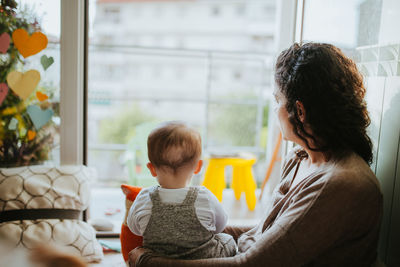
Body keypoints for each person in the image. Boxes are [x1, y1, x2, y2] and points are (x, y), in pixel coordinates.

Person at [128, 43, 383, 267]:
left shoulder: (340, 186)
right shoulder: (302, 158)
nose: (274, 109)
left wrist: (149, 261)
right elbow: (267, 235)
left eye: (276, 100)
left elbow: (253, 264)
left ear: (300, 111)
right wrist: (182, 231)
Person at [127, 121, 237, 260]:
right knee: (227, 239)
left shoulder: (144, 198)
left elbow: (134, 229)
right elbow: (220, 225)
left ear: (152, 169)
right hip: (204, 260)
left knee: (141, 252)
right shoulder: (204, 197)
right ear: (198, 167)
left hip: (159, 261)